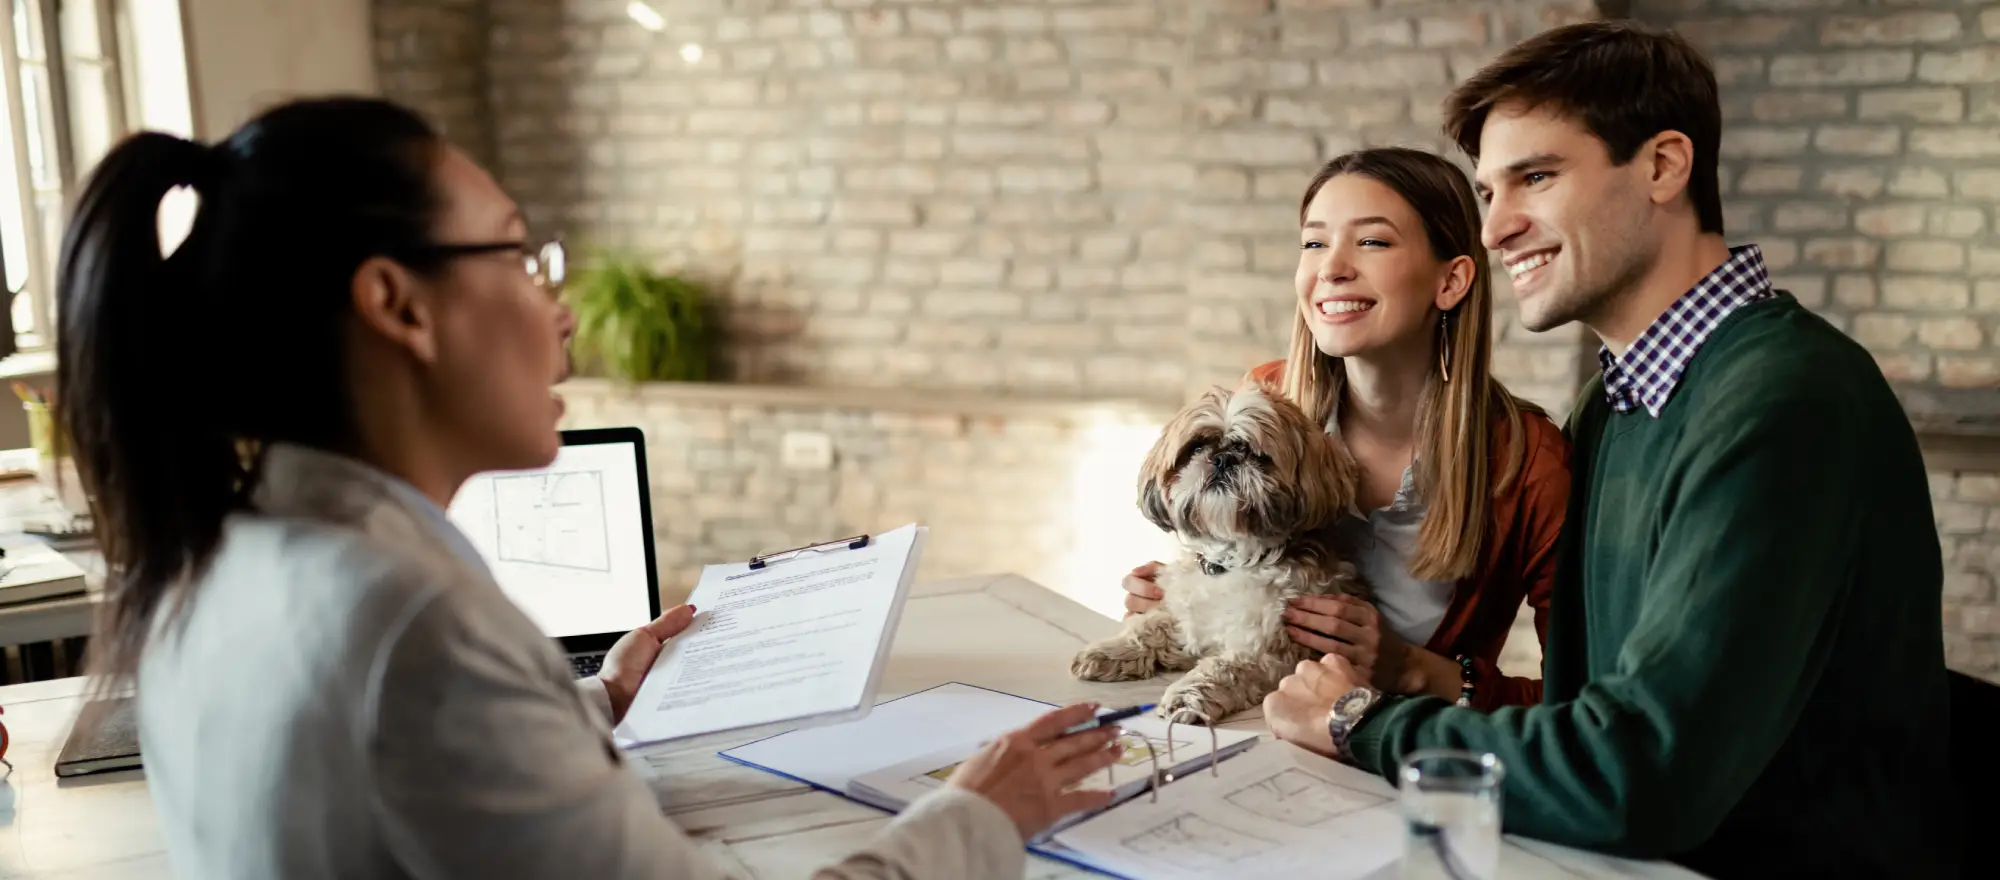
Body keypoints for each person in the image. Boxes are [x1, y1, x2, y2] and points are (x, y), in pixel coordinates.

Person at [55, 96, 1125, 879]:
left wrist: (593, 703)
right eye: (520, 258)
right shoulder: (414, 618)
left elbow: (402, 774)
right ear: (398, 304)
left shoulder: (237, 544)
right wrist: (980, 818)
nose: (559, 312)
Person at [1260, 20, 1960, 879]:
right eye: (1488, 191)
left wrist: (1362, 722)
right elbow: (1583, 710)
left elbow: (1641, 775)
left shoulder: (1787, 400)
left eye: (1538, 178)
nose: (1495, 228)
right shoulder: (1616, 400)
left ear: (1664, 166)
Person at [1124, 146, 1570, 712]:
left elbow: (1580, 707)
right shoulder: (1266, 401)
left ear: (1452, 280)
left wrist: (1413, 669)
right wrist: (1181, 599)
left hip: (1399, 768)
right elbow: (1240, 603)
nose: (1331, 268)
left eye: (1372, 241)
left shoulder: (1527, 461)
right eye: (1314, 242)